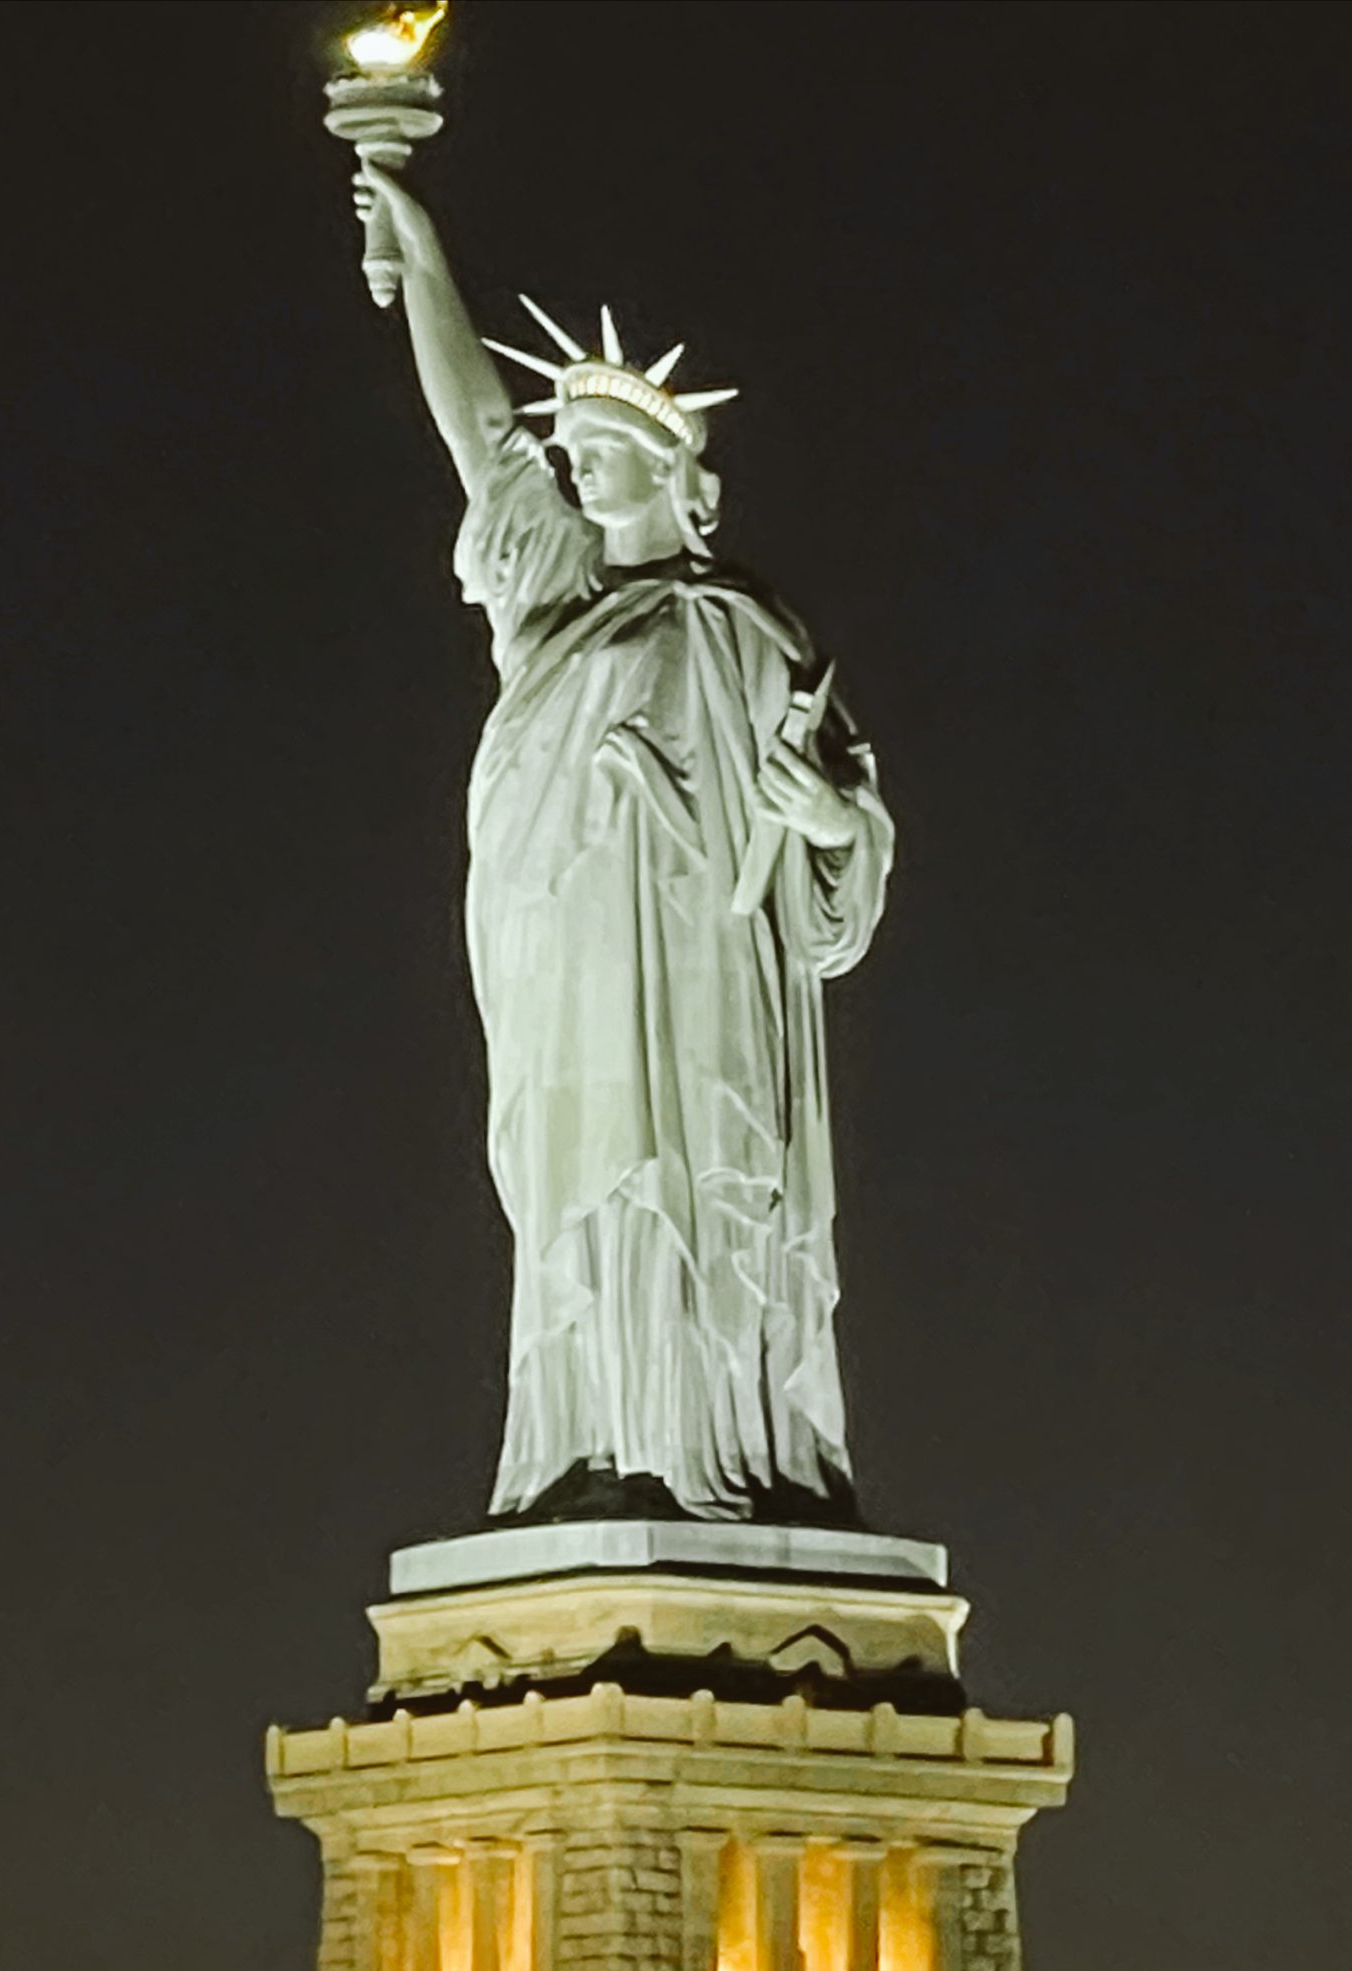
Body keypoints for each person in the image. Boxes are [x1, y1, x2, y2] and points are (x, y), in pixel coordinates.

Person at [356, 168, 895, 1524]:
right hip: (577, 969)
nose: (574, 460)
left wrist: (833, 822)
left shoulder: (749, 628)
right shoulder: (556, 601)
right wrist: (427, 266)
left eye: (603, 449)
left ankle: (726, 1441)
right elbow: (481, 436)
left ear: (676, 472)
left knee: (709, 1192)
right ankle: (597, 1440)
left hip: (715, 974)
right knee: (591, 1193)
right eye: (572, 450)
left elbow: (844, 847)